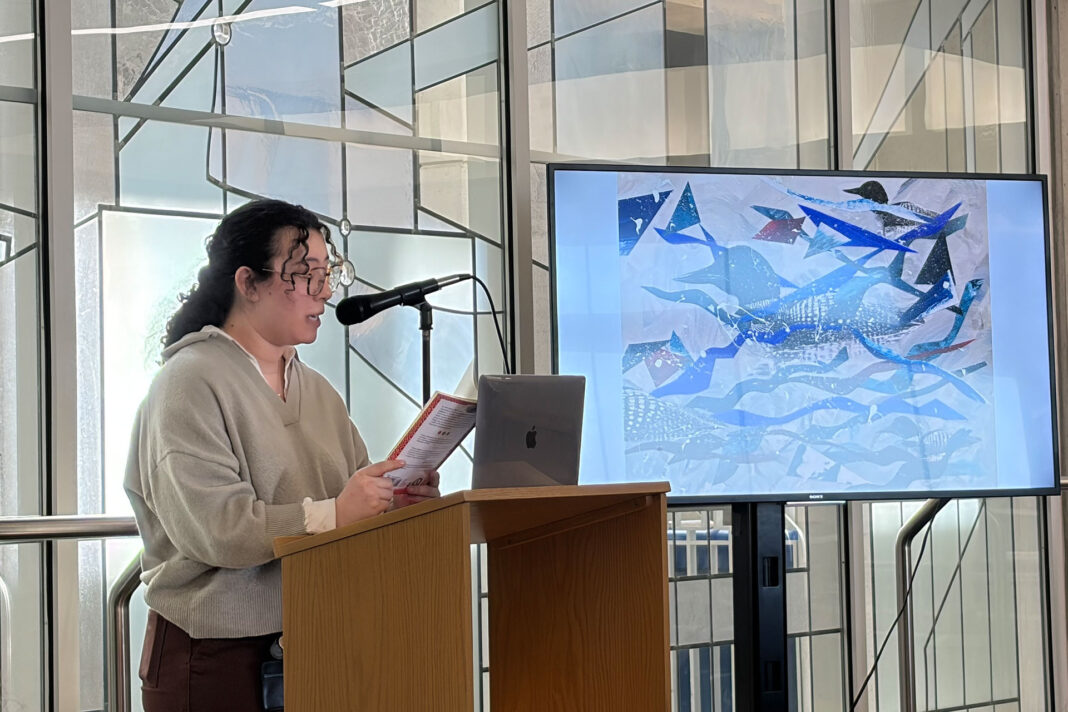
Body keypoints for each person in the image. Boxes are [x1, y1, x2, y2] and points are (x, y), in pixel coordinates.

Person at [123, 199, 440, 712]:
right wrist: (337, 513)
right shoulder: (188, 381)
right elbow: (217, 529)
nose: (325, 292)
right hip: (214, 658)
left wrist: (391, 504)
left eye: (329, 272)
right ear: (247, 283)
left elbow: (348, 510)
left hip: (312, 640)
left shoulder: (316, 390)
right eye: (305, 274)